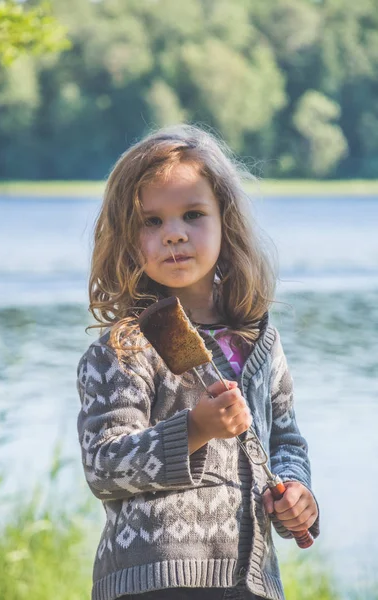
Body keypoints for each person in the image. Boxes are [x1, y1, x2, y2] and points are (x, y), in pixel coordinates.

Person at [76, 125, 319, 600]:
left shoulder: (259, 342)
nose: (174, 235)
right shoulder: (123, 348)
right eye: (152, 222)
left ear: (225, 223)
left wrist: (296, 493)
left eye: (192, 214)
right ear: (128, 239)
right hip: (153, 581)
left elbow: (286, 439)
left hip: (250, 581)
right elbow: (103, 468)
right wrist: (194, 429)